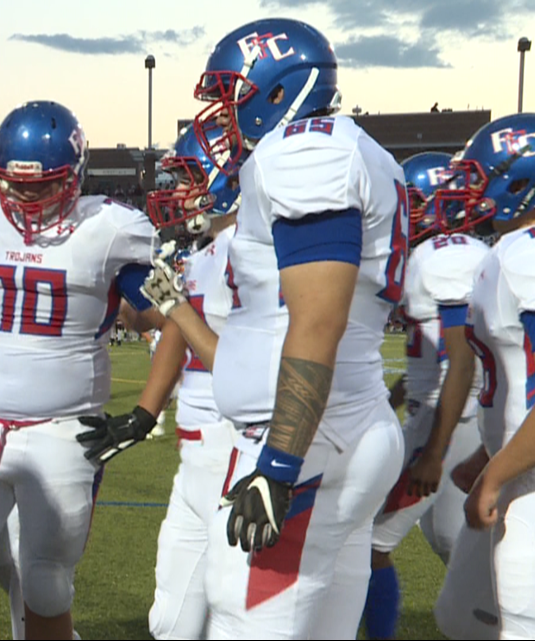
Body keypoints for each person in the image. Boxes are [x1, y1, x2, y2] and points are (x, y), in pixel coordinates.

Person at [142, 18, 406, 638]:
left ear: (279, 89)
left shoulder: (305, 150)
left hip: (307, 437)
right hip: (345, 421)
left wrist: (280, 461)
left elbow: (317, 319)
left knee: (244, 616)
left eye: (233, 96)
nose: (222, 116)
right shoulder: (349, 148)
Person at [0, 100, 171, 640]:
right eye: (15, 183)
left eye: (44, 184)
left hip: (65, 431)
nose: (27, 196)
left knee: (45, 585)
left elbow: (175, 320)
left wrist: (145, 413)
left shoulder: (109, 229)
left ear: (75, 176)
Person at [363, 152, 491, 640]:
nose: (408, 212)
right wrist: (395, 397)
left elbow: (459, 361)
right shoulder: (445, 254)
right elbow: (432, 359)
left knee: (372, 540)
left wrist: (433, 452)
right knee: (452, 540)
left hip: (446, 422)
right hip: (442, 414)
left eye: (415, 202)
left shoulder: (445, 258)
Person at [142, 125, 241, 640]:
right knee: (171, 621)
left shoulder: (249, 252)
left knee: (233, 616)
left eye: (187, 178)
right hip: (197, 456)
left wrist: (174, 306)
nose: (176, 193)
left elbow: (244, 373)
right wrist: (144, 412)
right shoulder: (207, 253)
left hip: (235, 449)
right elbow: (177, 340)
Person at [452, 113, 535, 639]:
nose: (468, 194)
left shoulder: (524, 255)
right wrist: (490, 455)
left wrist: (501, 474)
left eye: (479, 179)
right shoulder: (510, 252)